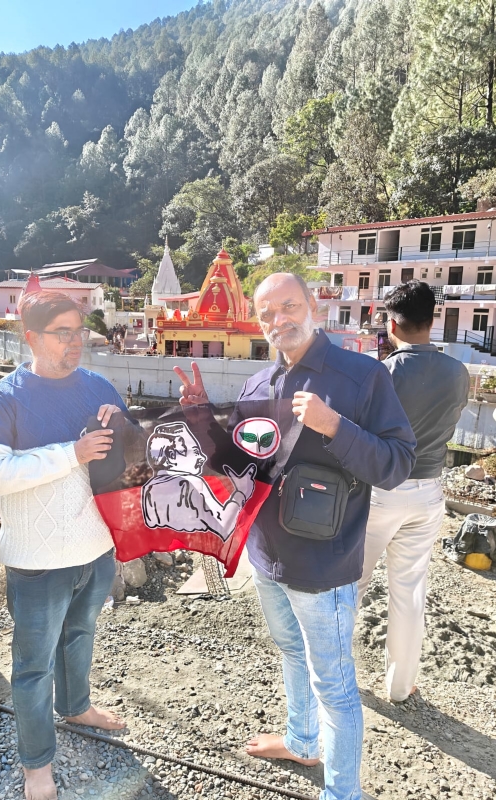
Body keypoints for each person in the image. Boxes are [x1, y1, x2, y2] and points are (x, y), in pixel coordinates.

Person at [175, 272, 416, 800]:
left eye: (288, 306)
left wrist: (336, 427)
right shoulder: (259, 384)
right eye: (267, 313)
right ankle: (302, 741)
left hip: (324, 564)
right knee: (290, 650)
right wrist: (199, 416)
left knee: (334, 683)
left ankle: (341, 792)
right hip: (267, 554)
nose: (278, 320)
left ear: (313, 305)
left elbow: (399, 464)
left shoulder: (361, 377)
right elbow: (238, 465)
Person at [0, 291, 129, 800]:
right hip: (37, 560)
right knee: (34, 665)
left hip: (95, 547)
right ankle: (36, 762)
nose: (75, 342)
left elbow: (129, 463)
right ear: (31, 336)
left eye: (80, 331)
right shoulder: (3, 398)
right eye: (63, 333)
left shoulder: (99, 385)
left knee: (81, 635)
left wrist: (128, 427)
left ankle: (77, 705)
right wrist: (71, 453)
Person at [358, 281, 469, 702]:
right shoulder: (458, 372)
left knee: (353, 585)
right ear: (433, 319)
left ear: (391, 324)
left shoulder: (382, 373)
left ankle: (338, 676)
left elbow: (363, 435)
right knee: (408, 592)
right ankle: (401, 687)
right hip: (429, 495)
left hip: (381, 491)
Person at [141, 421, 256, 538]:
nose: (202, 457)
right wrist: (241, 493)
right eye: (195, 452)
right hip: (197, 551)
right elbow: (223, 528)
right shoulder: (192, 484)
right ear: (171, 455)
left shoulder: (149, 488)